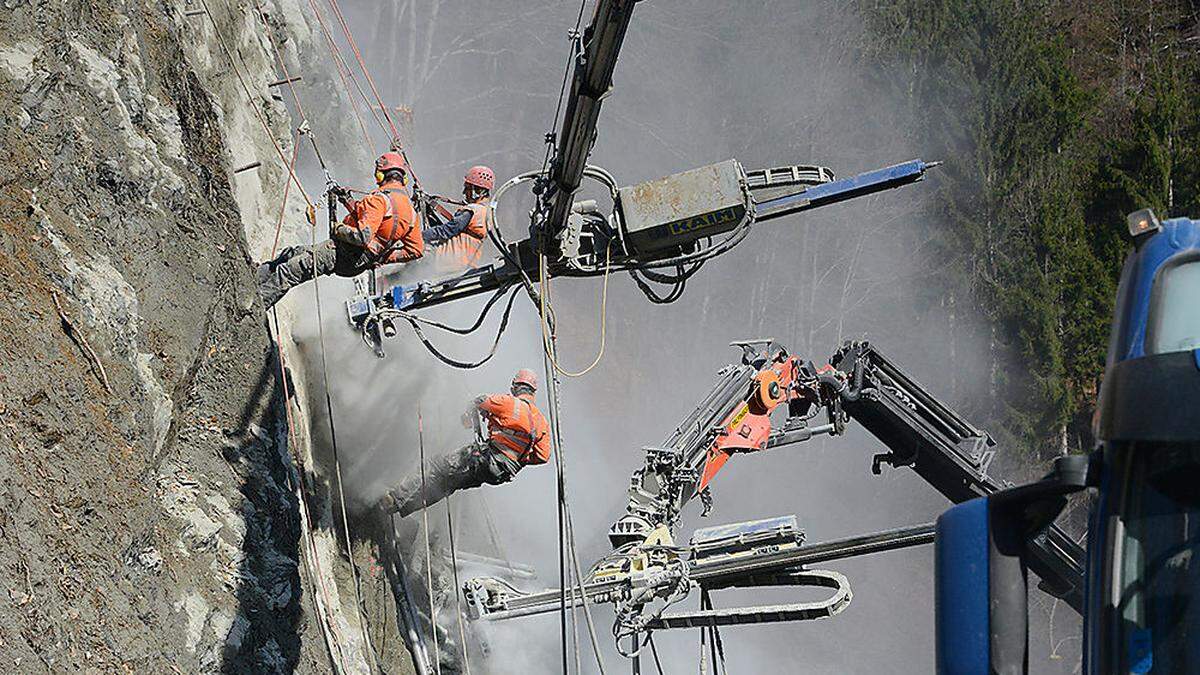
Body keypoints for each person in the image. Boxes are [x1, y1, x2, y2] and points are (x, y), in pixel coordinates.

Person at [257, 151, 424, 308]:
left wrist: (339, 229)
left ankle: (254, 307)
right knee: (293, 253)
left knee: (288, 272)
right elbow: (416, 250)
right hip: (358, 263)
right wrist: (381, 256)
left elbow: (363, 236)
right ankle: (255, 275)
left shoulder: (379, 200)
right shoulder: (411, 212)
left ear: (380, 174)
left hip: (342, 252)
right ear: (404, 178)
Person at [378, 368, 550, 517]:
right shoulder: (541, 421)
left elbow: (480, 400)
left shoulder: (509, 403)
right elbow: (543, 456)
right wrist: (515, 456)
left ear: (515, 386)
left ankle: (393, 499)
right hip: (499, 475)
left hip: (484, 459)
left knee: (436, 466)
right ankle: (401, 507)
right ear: (533, 391)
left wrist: (471, 416)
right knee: (446, 485)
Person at [421, 165, 494, 273]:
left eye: (467, 188)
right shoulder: (485, 212)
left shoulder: (472, 211)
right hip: (462, 265)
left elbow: (446, 231)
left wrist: (418, 237)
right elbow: (452, 232)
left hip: (447, 264)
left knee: (409, 263)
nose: (464, 193)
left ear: (477, 190)